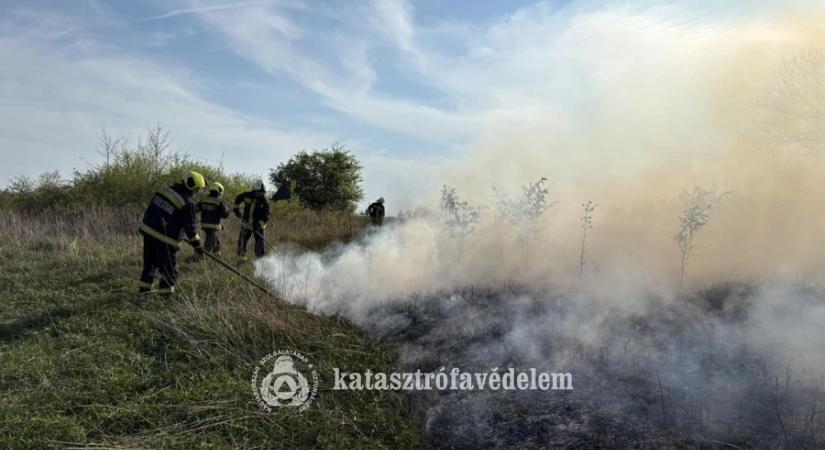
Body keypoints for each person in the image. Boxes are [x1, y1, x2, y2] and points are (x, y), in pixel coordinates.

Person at [138, 171, 205, 295]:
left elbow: (156, 210)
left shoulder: (164, 190)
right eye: (198, 189)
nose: (197, 192)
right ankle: (165, 299)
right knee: (169, 271)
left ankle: (144, 294)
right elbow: (191, 229)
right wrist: (198, 246)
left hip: (148, 232)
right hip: (165, 240)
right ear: (194, 188)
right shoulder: (187, 202)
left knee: (150, 266)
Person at [234, 179, 270, 264]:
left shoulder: (265, 202)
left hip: (259, 227)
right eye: (259, 191)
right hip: (246, 224)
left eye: (262, 192)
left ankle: (261, 262)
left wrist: (259, 225)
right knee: (242, 242)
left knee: (259, 244)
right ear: (254, 190)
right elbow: (238, 198)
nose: (260, 193)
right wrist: (236, 209)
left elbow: (266, 216)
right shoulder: (247, 195)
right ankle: (241, 260)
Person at [198, 181, 230, 255]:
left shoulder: (204, 199)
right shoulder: (220, 201)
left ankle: (217, 255)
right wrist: (227, 211)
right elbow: (225, 215)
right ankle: (202, 258)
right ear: (220, 190)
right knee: (210, 244)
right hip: (213, 226)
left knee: (216, 241)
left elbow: (196, 209)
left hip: (204, 225)